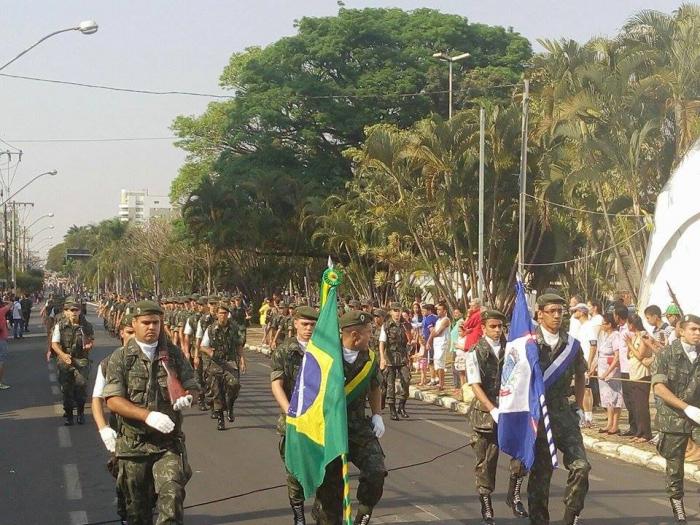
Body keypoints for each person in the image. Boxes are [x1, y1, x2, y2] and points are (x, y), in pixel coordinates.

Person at [103, 300, 198, 525]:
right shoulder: (121, 358)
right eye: (145, 322)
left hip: (167, 445)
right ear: (134, 324)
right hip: (133, 448)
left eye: (156, 322)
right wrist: (147, 415)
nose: (151, 327)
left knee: (172, 497)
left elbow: (191, 384)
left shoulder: (172, 355)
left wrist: (189, 396)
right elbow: (113, 401)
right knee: (137, 514)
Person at [312, 310, 387, 525]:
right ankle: (323, 515)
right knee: (331, 489)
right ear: (355, 335)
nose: (371, 337)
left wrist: (377, 415)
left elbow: (374, 386)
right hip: (329, 427)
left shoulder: (369, 358)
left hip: (357, 425)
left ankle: (362, 515)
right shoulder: (326, 355)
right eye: (368, 333)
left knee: (376, 472)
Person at [528, 293, 590, 525]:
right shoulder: (529, 343)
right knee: (541, 477)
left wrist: (581, 406)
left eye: (560, 311)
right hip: (538, 415)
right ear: (540, 313)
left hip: (564, 413)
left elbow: (581, 375)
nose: (556, 316)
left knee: (581, 466)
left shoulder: (572, 345)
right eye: (551, 311)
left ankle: (570, 516)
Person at [466, 309, 528, 525]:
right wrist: (492, 408)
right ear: (483, 328)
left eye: (500, 326)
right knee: (486, 462)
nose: (497, 330)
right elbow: (475, 384)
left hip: (511, 410)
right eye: (492, 326)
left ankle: (515, 493)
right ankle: (486, 503)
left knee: (521, 454)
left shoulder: (512, 350)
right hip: (485, 414)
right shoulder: (475, 351)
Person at [270, 305, 320, 525]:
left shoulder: (324, 350)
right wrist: (290, 411)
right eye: (305, 324)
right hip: (293, 421)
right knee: (294, 471)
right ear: (296, 324)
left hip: (319, 422)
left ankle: (322, 512)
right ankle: (298, 514)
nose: (309, 329)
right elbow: (277, 384)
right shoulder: (284, 350)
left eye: (312, 325)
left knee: (323, 470)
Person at [651, 313, 700, 523]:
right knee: (675, 466)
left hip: (697, 417)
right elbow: (660, 388)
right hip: (673, 418)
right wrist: (686, 407)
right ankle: (677, 505)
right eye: (693, 329)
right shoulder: (666, 355)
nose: (698, 334)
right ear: (681, 330)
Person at [93, 313, 136, 525]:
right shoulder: (108, 363)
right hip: (123, 435)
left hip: (155, 435)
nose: (133, 337)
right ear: (121, 333)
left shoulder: (161, 359)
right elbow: (97, 399)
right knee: (126, 484)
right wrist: (103, 428)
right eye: (129, 333)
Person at [199, 304, 246, 430]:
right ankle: (220, 419)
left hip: (230, 362)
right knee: (217, 392)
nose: (223, 316)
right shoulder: (211, 329)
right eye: (220, 313)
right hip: (215, 364)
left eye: (225, 313)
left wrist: (242, 359)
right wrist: (210, 352)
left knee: (235, 385)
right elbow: (202, 346)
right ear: (217, 315)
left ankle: (230, 406)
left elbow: (238, 345)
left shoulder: (234, 328)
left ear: (228, 315)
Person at [51, 297, 95, 425]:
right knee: (66, 390)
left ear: (80, 311)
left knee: (81, 387)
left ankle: (80, 414)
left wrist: (89, 345)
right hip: (65, 361)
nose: (74, 312)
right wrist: (63, 355)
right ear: (66, 312)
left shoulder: (86, 326)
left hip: (81, 361)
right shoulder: (60, 326)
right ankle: (69, 416)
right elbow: (55, 344)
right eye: (71, 310)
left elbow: (91, 340)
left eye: (76, 310)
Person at [592, 313, 624, 434]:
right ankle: (609, 423)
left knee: (615, 397)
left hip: (612, 369)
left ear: (610, 324)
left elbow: (617, 356)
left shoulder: (616, 336)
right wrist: (593, 367)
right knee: (606, 397)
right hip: (602, 366)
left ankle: (615, 424)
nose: (602, 326)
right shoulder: (604, 335)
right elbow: (599, 353)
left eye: (604, 324)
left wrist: (607, 372)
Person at [624, 313, 654, 443]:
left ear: (632, 324)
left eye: (628, 324)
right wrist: (629, 345)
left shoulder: (643, 335)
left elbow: (640, 355)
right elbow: (630, 355)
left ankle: (646, 433)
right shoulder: (635, 336)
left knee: (642, 405)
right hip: (634, 374)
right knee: (636, 405)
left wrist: (630, 344)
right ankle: (639, 431)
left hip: (642, 375)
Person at [379, 302, 411, 421]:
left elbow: (407, 342)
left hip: (402, 358)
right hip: (390, 358)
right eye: (395, 310)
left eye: (399, 310)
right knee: (390, 385)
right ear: (391, 312)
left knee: (406, 380)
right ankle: (392, 409)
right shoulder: (386, 326)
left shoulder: (404, 325)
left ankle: (401, 406)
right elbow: (382, 343)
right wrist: (382, 358)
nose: (397, 313)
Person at [614, 304, 636, 437]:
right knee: (627, 400)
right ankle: (632, 426)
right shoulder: (621, 329)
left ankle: (636, 427)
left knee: (633, 399)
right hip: (623, 368)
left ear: (617, 316)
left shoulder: (629, 329)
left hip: (630, 368)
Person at [425, 301, 450, 392]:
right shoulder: (438, 320)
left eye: (440, 310)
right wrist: (428, 342)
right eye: (437, 310)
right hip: (436, 344)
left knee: (440, 362)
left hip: (442, 343)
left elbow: (437, 332)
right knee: (436, 363)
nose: (438, 311)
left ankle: (441, 383)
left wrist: (432, 333)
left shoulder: (446, 320)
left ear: (444, 311)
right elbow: (433, 332)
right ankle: (439, 381)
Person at [0, 296, 11, 389]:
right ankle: (0, 382)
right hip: (1, 339)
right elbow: (10, 304)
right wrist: (4, 300)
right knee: (1, 361)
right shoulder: (1, 311)